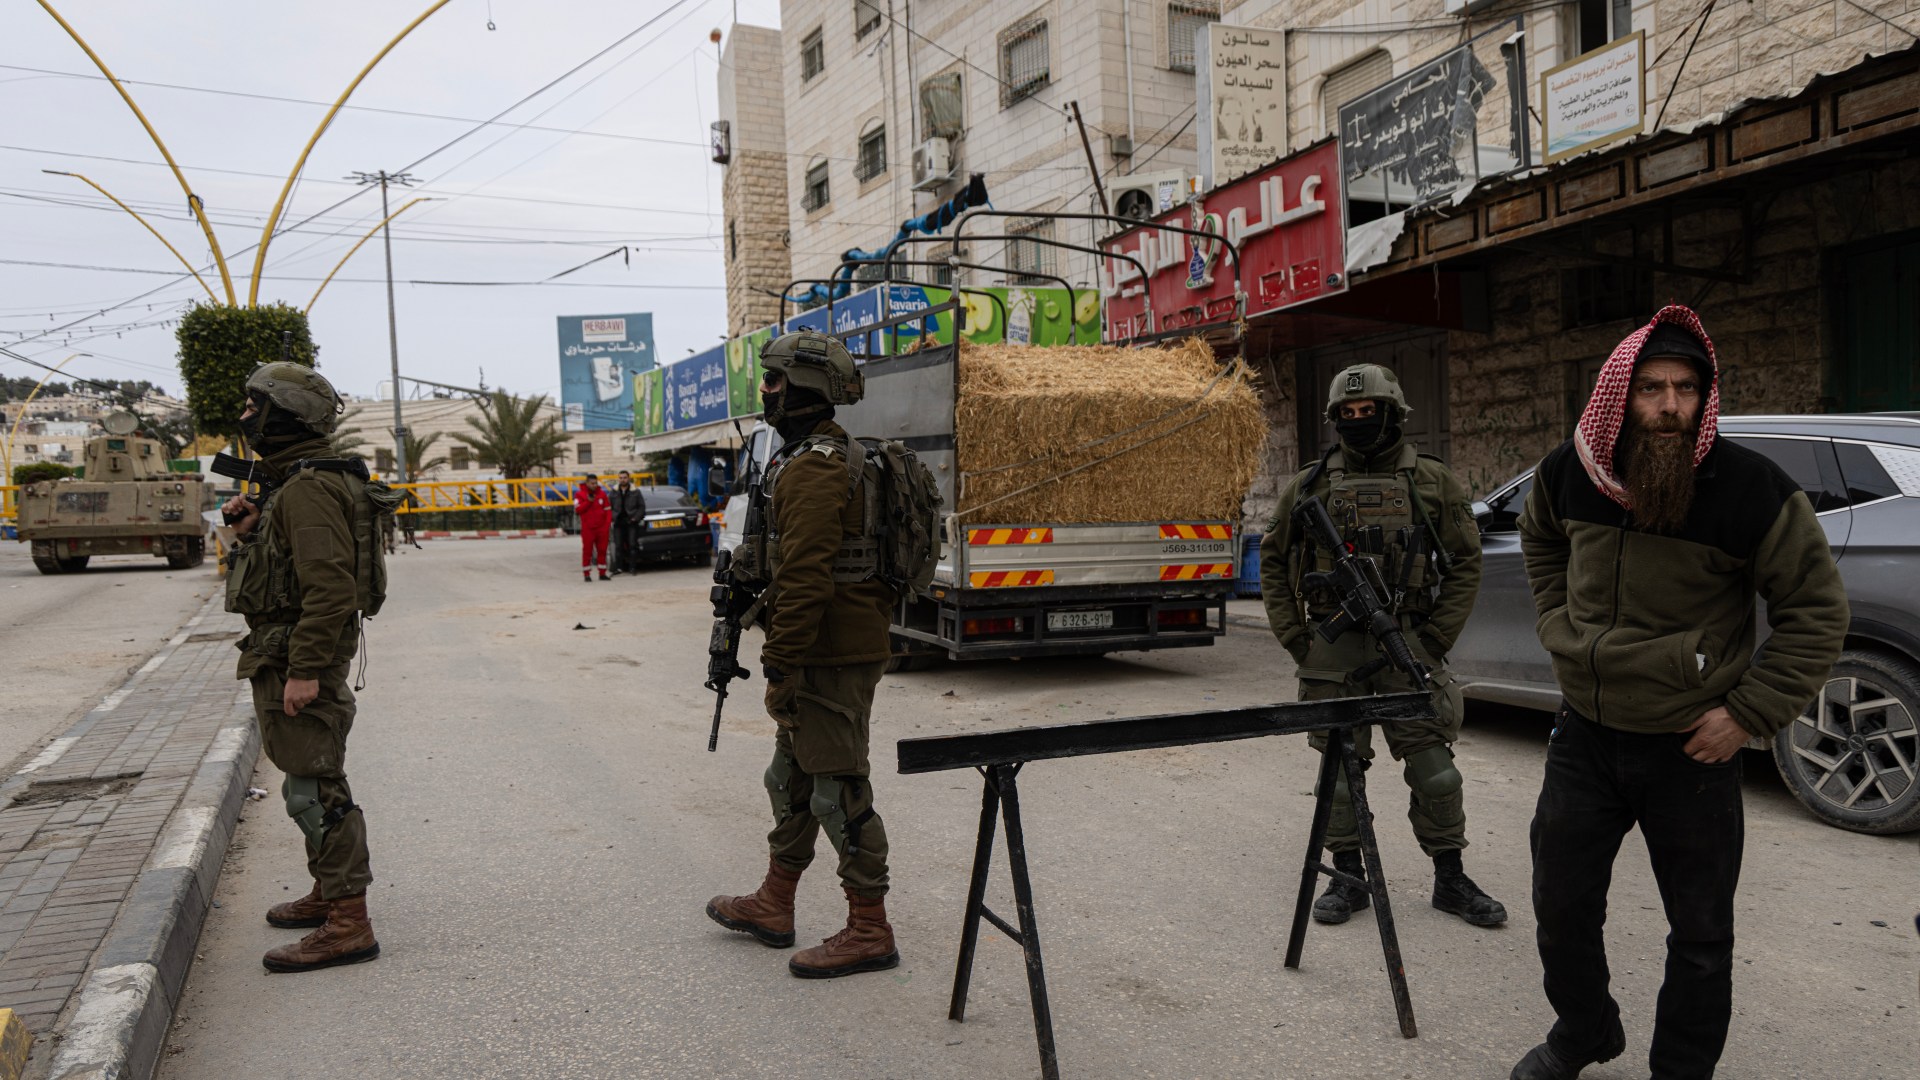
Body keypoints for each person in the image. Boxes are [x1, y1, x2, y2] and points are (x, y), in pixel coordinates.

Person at [1510, 306, 1848, 1080]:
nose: (1669, 406)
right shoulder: (1572, 471)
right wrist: (1560, 623)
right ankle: (1584, 1031)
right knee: (1561, 907)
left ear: (1705, 396)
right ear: (1620, 393)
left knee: (1700, 934)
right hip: (1586, 734)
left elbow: (1816, 613)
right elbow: (1539, 538)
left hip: (1691, 747)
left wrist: (1748, 714)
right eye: (1652, 388)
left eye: (1686, 389)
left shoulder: (1751, 489)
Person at [1259, 363, 1505, 928]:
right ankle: (1348, 877)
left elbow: (1466, 561)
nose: (1358, 420)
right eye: (1347, 413)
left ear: (1392, 414)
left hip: (1407, 640)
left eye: (1368, 411)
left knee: (1436, 770)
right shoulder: (1310, 484)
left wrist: (1436, 636)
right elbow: (1273, 558)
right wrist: (1296, 637)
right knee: (1340, 774)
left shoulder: (1432, 481)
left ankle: (1450, 878)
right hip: (1334, 644)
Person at [706, 329, 900, 979]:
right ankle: (775, 902)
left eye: (774, 380)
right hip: (820, 649)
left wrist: (780, 662)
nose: (765, 390)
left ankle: (869, 928)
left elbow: (807, 578)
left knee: (837, 789)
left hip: (830, 655)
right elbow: (783, 557)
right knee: (788, 781)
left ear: (804, 387)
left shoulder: (816, 467)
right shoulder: (801, 459)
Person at [219, 362, 381, 973]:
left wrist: (306, 669)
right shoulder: (298, 483)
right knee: (301, 784)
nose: (245, 418)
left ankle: (349, 922)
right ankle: (327, 893)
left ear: (283, 415)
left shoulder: (308, 488)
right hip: (283, 648)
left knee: (316, 790)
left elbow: (330, 587)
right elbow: (285, 570)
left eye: (253, 408)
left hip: (298, 654)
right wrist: (250, 532)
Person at [574, 473, 611, 581]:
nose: (594, 485)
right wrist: (588, 502)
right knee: (587, 551)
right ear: (587, 483)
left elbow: (608, 510)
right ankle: (587, 574)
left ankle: (602, 573)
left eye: (596, 483)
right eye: (592, 483)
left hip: (602, 528)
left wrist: (607, 525)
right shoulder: (579, 494)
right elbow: (578, 510)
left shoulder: (602, 494)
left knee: (602, 550)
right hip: (588, 529)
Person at [609, 470, 646, 575]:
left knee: (632, 545)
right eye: (620, 478)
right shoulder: (613, 492)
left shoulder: (636, 491)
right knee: (618, 546)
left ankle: (632, 568)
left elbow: (642, 507)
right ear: (618, 479)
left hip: (631, 522)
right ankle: (619, 568)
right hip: (618, 523)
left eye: (624, 477)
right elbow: (608, 507)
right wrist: (612, 517)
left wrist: (635, 518)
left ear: (628, 478)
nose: (622, 480)